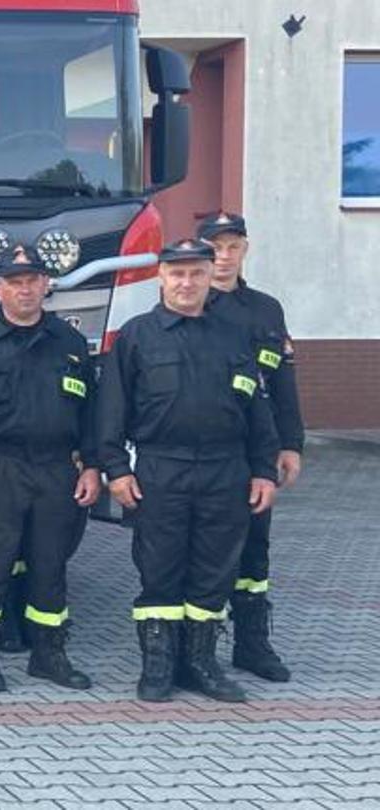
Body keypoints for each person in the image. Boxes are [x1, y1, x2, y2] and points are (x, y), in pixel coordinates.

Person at [96, 238, 279, 704]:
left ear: (208, 276)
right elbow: (111, 410)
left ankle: (200, 663)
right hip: (162, 468)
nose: (187, 282)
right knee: (159, 570)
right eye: (177, 273)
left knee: (213, 571)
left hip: (226, 470)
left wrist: (263, 471)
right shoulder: (137, 336)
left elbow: (259, 412)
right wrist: (116, 470)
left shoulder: (235, 337)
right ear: (161, 277)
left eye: (196, 273)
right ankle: (158, 665)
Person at [0, 244, 98, 693]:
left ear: (46, 285)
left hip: (57, 468)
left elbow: (91, 410)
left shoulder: (68, 342)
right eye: (15, 281)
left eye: (33, 279)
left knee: (50, 564)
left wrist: (91, 465)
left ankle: (49, 655)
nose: (25, 289)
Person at [200, 212, 305, 683]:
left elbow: (283, 383)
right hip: (204, 447)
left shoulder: (266, 309)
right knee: (201, 551)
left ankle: (252, 643)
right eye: (216, 247)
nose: (224, 257)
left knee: (253, 550)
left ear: (245, 249)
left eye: (233, 246)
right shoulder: (189, 304)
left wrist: (291, 444)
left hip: (254, 450)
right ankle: (197, 649)